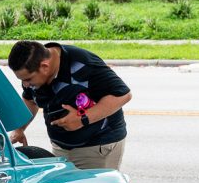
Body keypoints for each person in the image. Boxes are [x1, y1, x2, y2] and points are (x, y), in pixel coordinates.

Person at [7, 40, 132, 170]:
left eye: (28, 79)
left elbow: (122, 95)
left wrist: (83, 119)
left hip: (97, 148)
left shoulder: (83, 64)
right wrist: (19, 129)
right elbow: (30, 100)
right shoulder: (33, 70)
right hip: (61, 148)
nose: (25, 84)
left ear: (45, 66)